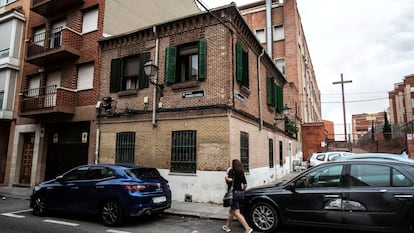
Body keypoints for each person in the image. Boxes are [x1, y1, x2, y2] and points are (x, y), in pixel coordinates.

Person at [222, 159, 253, 233]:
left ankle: (247, 228)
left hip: (234, 194)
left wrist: (226, 178)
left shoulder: (232, 171)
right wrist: (242, 190)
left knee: (236, 212)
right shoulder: (241, 172)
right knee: (231, 211)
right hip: (240, 193)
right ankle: (227, 227)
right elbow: (245, 184)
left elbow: (230, 180)